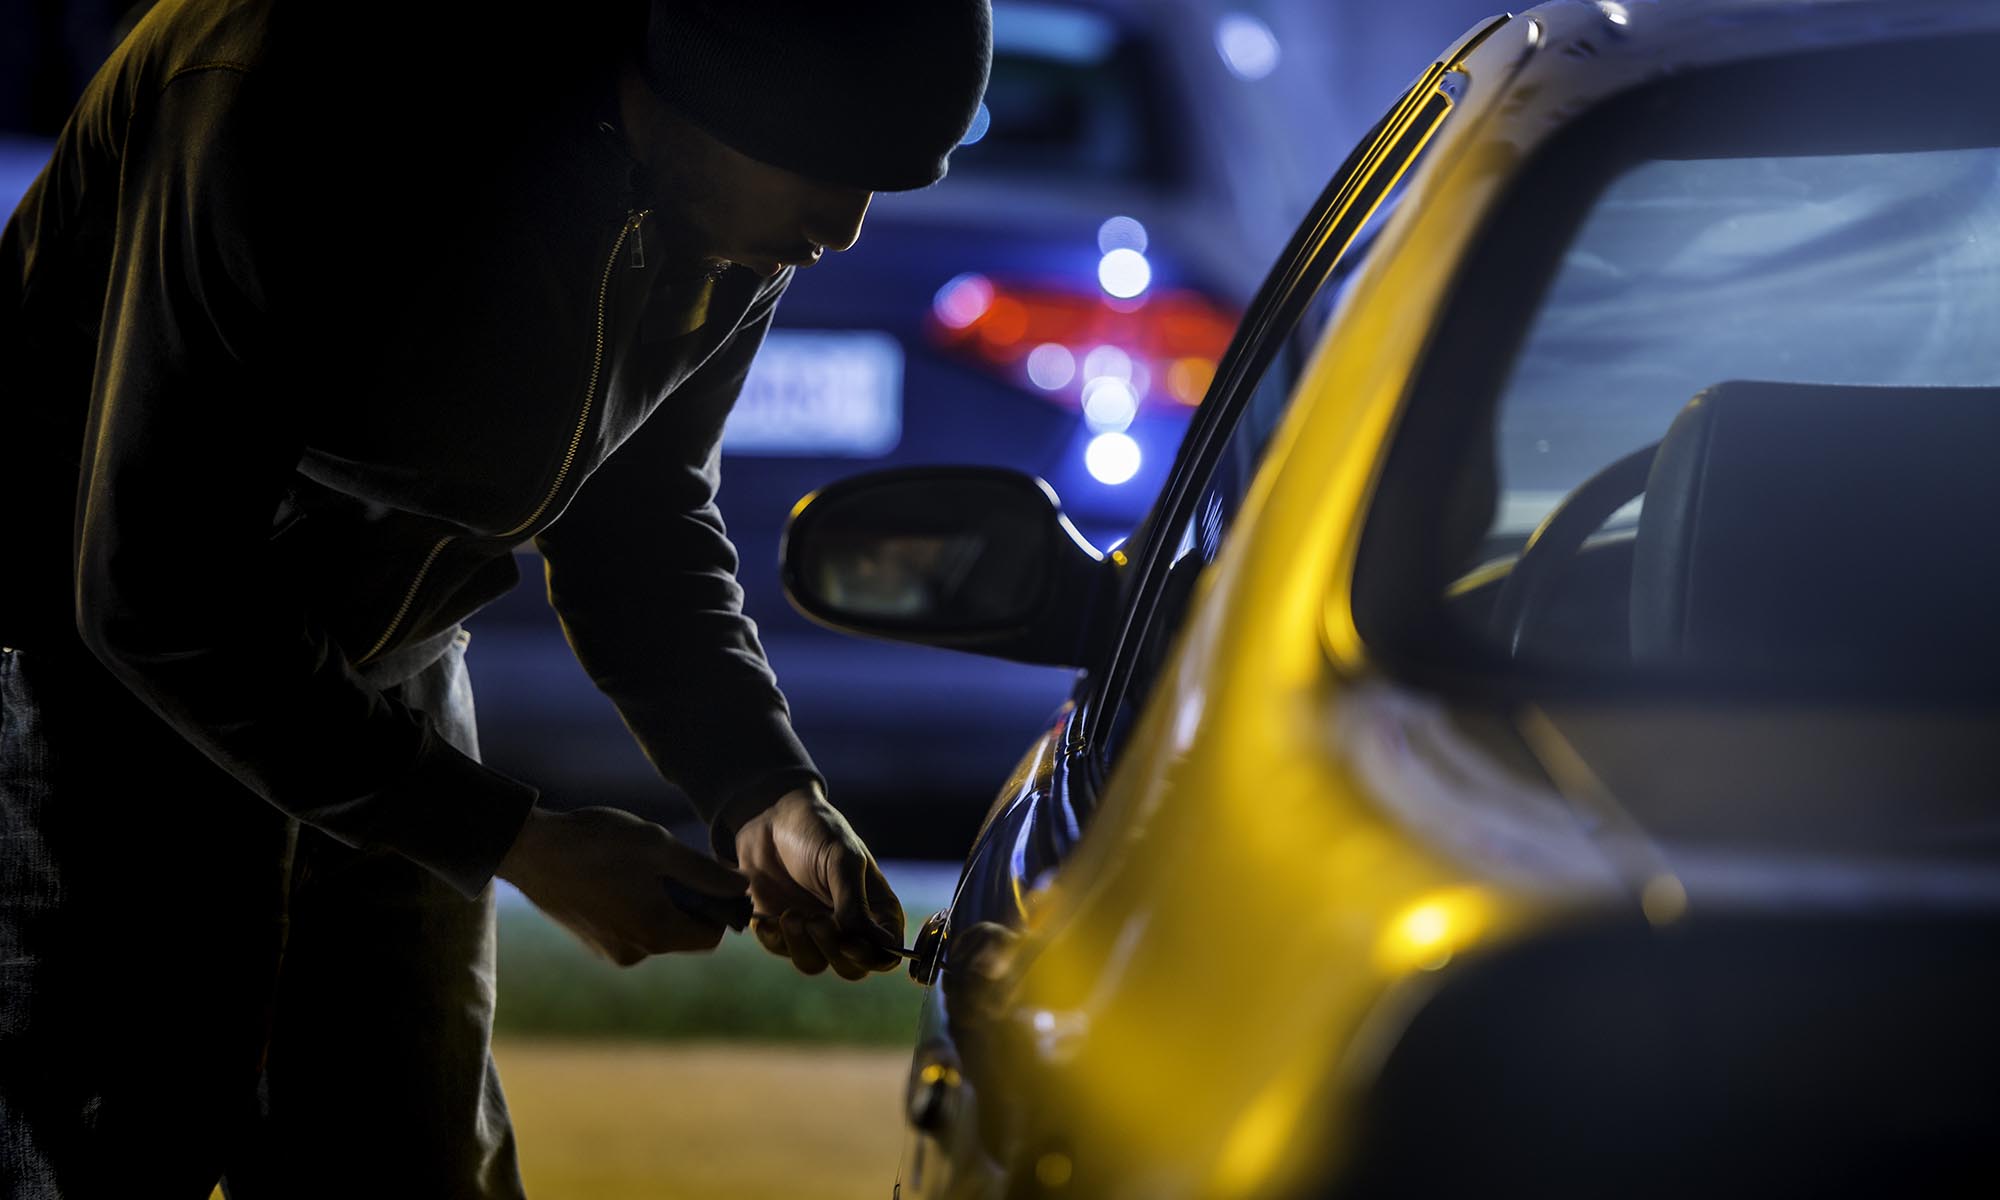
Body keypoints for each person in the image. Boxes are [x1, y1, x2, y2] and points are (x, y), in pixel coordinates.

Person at [0, 0, 992, 1195]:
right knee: (103, 1143)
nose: (841, 228)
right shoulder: (286, 90)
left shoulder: (727, 214)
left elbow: (639, 518)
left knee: (412, 1157)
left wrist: (757, 788)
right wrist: (513, 841)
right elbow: (154, 583)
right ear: (710, 85)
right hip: (81, 688)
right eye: (829, 170)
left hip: (391, 666)